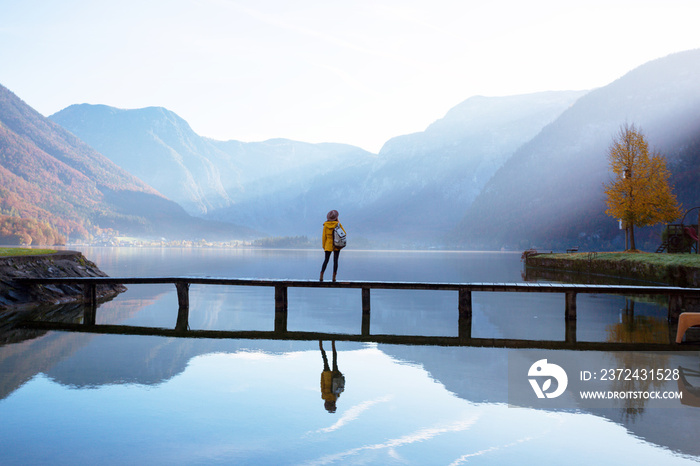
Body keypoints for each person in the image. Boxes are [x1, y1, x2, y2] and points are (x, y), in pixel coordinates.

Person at [319, 340, 345, 413]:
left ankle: (332, 343)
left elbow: (341, 388)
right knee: (325, 359)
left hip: (335, 377)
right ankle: (321, 344)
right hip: (327, 376)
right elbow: (322, 384)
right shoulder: (324, 396)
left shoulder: (335, 397)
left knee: (334, 360)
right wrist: (322, 375)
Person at [320, 210, 345, 282]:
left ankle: (321, 276)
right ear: (336, 217)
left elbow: (324, 237)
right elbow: (344, 233)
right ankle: (334, 278)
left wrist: (324, 246)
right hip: (336, 245)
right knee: (335, 261)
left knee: (326, 260)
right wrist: (339, 224)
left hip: (328, 245)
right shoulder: (338, 225)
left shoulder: (325, 225)